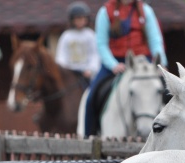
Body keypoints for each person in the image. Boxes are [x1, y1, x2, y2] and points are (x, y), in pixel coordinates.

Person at [84, 0, 168, 136]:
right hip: (116, 62)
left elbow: (155, 40)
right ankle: (89, 139)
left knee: (171, 93)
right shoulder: (105, 12)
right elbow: (101, 44)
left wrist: (160, 63)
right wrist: (113, 65)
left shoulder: (146, 11)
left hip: (144, 62)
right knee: (91, 97)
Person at [55, 1, 100, 84]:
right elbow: (61, 55)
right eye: (78, 18)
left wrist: (91, 69)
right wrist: (64, 70)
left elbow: (95, 54)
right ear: (72, 20)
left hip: (87, 74)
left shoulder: (90, 35)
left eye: (83, 18)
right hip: (71, 74)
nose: (81, 21)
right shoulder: (66, 36)